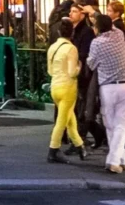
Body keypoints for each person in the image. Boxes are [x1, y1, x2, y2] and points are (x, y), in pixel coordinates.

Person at [87, 14, 125, 174]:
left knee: (112, 125)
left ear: (97, 28)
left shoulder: (96, 43)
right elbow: (110, 26)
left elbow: (91, 64)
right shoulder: (119, 35)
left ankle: (115, 160)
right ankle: (120, 158)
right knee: (122, 124)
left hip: (107, 87)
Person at [45, 18, 85, 165]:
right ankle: (53, 150)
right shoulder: (71, 48)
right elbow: (72, 72)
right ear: (72, 32)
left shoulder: (52, 48)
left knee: (69, 118)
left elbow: (49, 71)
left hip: (55, 86)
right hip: (68, 88)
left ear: (58, 31)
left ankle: (80, 145)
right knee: (62, 121)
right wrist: (79, 67)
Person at [69, 2, 105, 149]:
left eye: (74, 11)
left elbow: (85, 56)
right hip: (78, 74)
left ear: (82, 15)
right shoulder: (75, 31)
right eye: (70, 11)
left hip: (84, 76)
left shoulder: (86, 33)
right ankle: (99, 135)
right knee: (82, 110)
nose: (70, 14)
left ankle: (79, 141)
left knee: (83, 109)